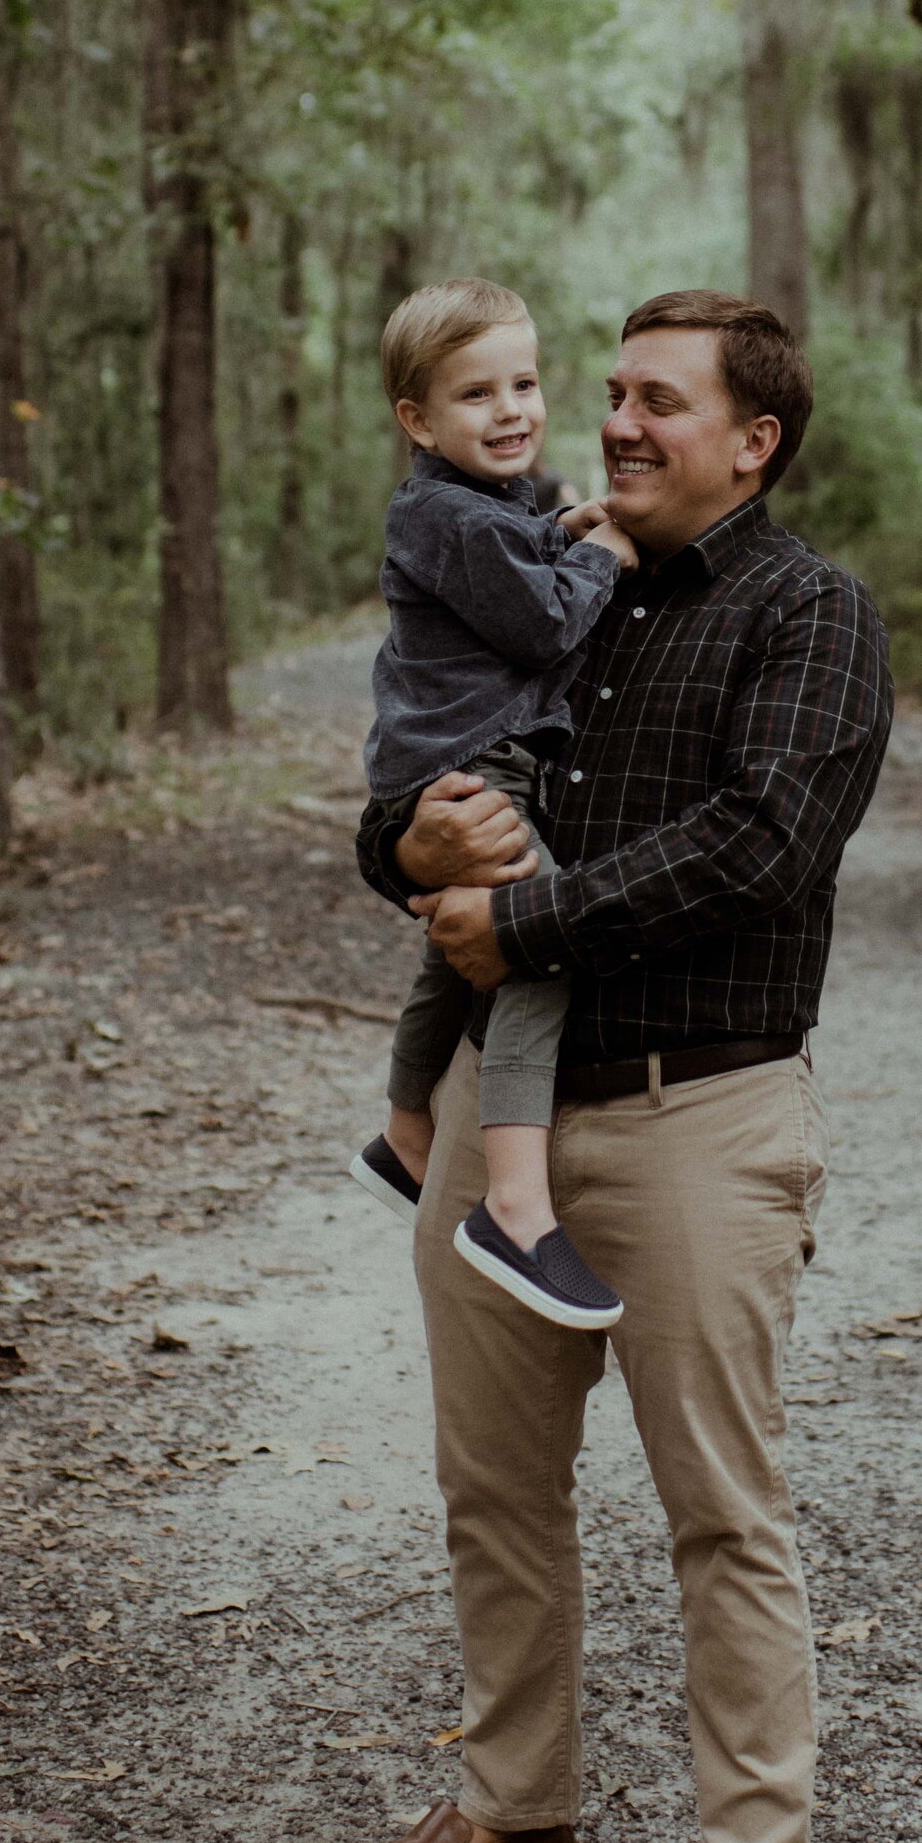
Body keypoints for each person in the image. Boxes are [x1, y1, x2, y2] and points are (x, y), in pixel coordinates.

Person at [320, 291, 893, 1843]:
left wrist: (529, 913)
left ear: (752, 441)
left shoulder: (811, 616)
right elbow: (416, 808)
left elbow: (766, 841)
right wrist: (408, 844)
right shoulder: (551, 582)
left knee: (724, 1511)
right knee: (493, 1491)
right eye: (614, 394)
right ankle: (515, 1806)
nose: (616, 426)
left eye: (658, 402)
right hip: (516, 1112)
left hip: (700, 1118)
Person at [350, 280, 635, 1329]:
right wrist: (599, 554)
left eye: (524, 382)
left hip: (459, 758)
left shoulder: (474, 506)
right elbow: (541, 625)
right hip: (476, 766)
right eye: (477, 393)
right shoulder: (448, 513)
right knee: (534, 940)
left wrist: (564, 530)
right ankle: (515, 1203)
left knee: (453, 944)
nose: (511, 408)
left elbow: (515, 569)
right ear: (417, 419)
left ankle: (406, 1133)